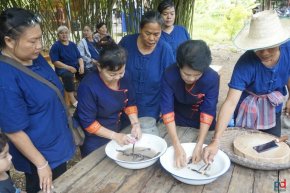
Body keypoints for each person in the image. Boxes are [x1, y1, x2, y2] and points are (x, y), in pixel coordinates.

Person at [0, 8, 75, 193]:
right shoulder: (5, 77)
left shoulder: (34, 57)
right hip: (39, 155)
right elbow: (14, 129)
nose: (40, 45)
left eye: (40, 38)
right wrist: (41, 164)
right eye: (33, 41)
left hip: (56, 144)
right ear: (9, 41)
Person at [203, 10, 290, 164]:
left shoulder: (288, 50)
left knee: (272, 150)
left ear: (280, 42)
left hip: (273, 110)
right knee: (243, 151)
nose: (264, 53)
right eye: (259, 47)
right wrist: (216, 140)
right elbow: (230, 103)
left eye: (270, 47)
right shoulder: (245, 63)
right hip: (247, 112)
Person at [76, 44, 142, 157]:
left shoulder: (125, 77)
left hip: (116, 128)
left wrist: (135, 124)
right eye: (112, 74)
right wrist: (115, 136)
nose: (117, 77)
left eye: (121, 72)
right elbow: (88, 122)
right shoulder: (88, 86)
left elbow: (130, 103)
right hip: (94, 138)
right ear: (99, 67)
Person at [161, 40, 219, 168]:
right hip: (177, 119)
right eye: (186, 74)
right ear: (179, 65)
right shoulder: (169, 74)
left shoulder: (212, 77)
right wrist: (176, 145)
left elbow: (208, 110)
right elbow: (167, 109)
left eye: (197, 75)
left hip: (202, 122)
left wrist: (200, 144)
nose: (191, 79)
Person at [119, 11, 175, 129]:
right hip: (124, 104)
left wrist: (165, 108)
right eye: (147, 33)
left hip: (151, 108)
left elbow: (171, 82)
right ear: (140, 29)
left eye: (156, 34)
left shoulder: (165, 50)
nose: (151, 38)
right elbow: (112, 67)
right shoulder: (126, 42)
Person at [49, 25, 84, 108]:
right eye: (61, 33)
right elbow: (55, 62)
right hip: (63, 68)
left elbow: (79, 57)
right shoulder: (56, 46)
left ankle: (83, 94)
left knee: (87, 72)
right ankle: (72, 99)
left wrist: (82, 66)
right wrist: (68, 67)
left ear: (68, 34)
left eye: (66, 33)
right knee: (67, 76)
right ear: (58, 35)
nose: (64, 35)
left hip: (75, 66)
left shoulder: (72, 44)